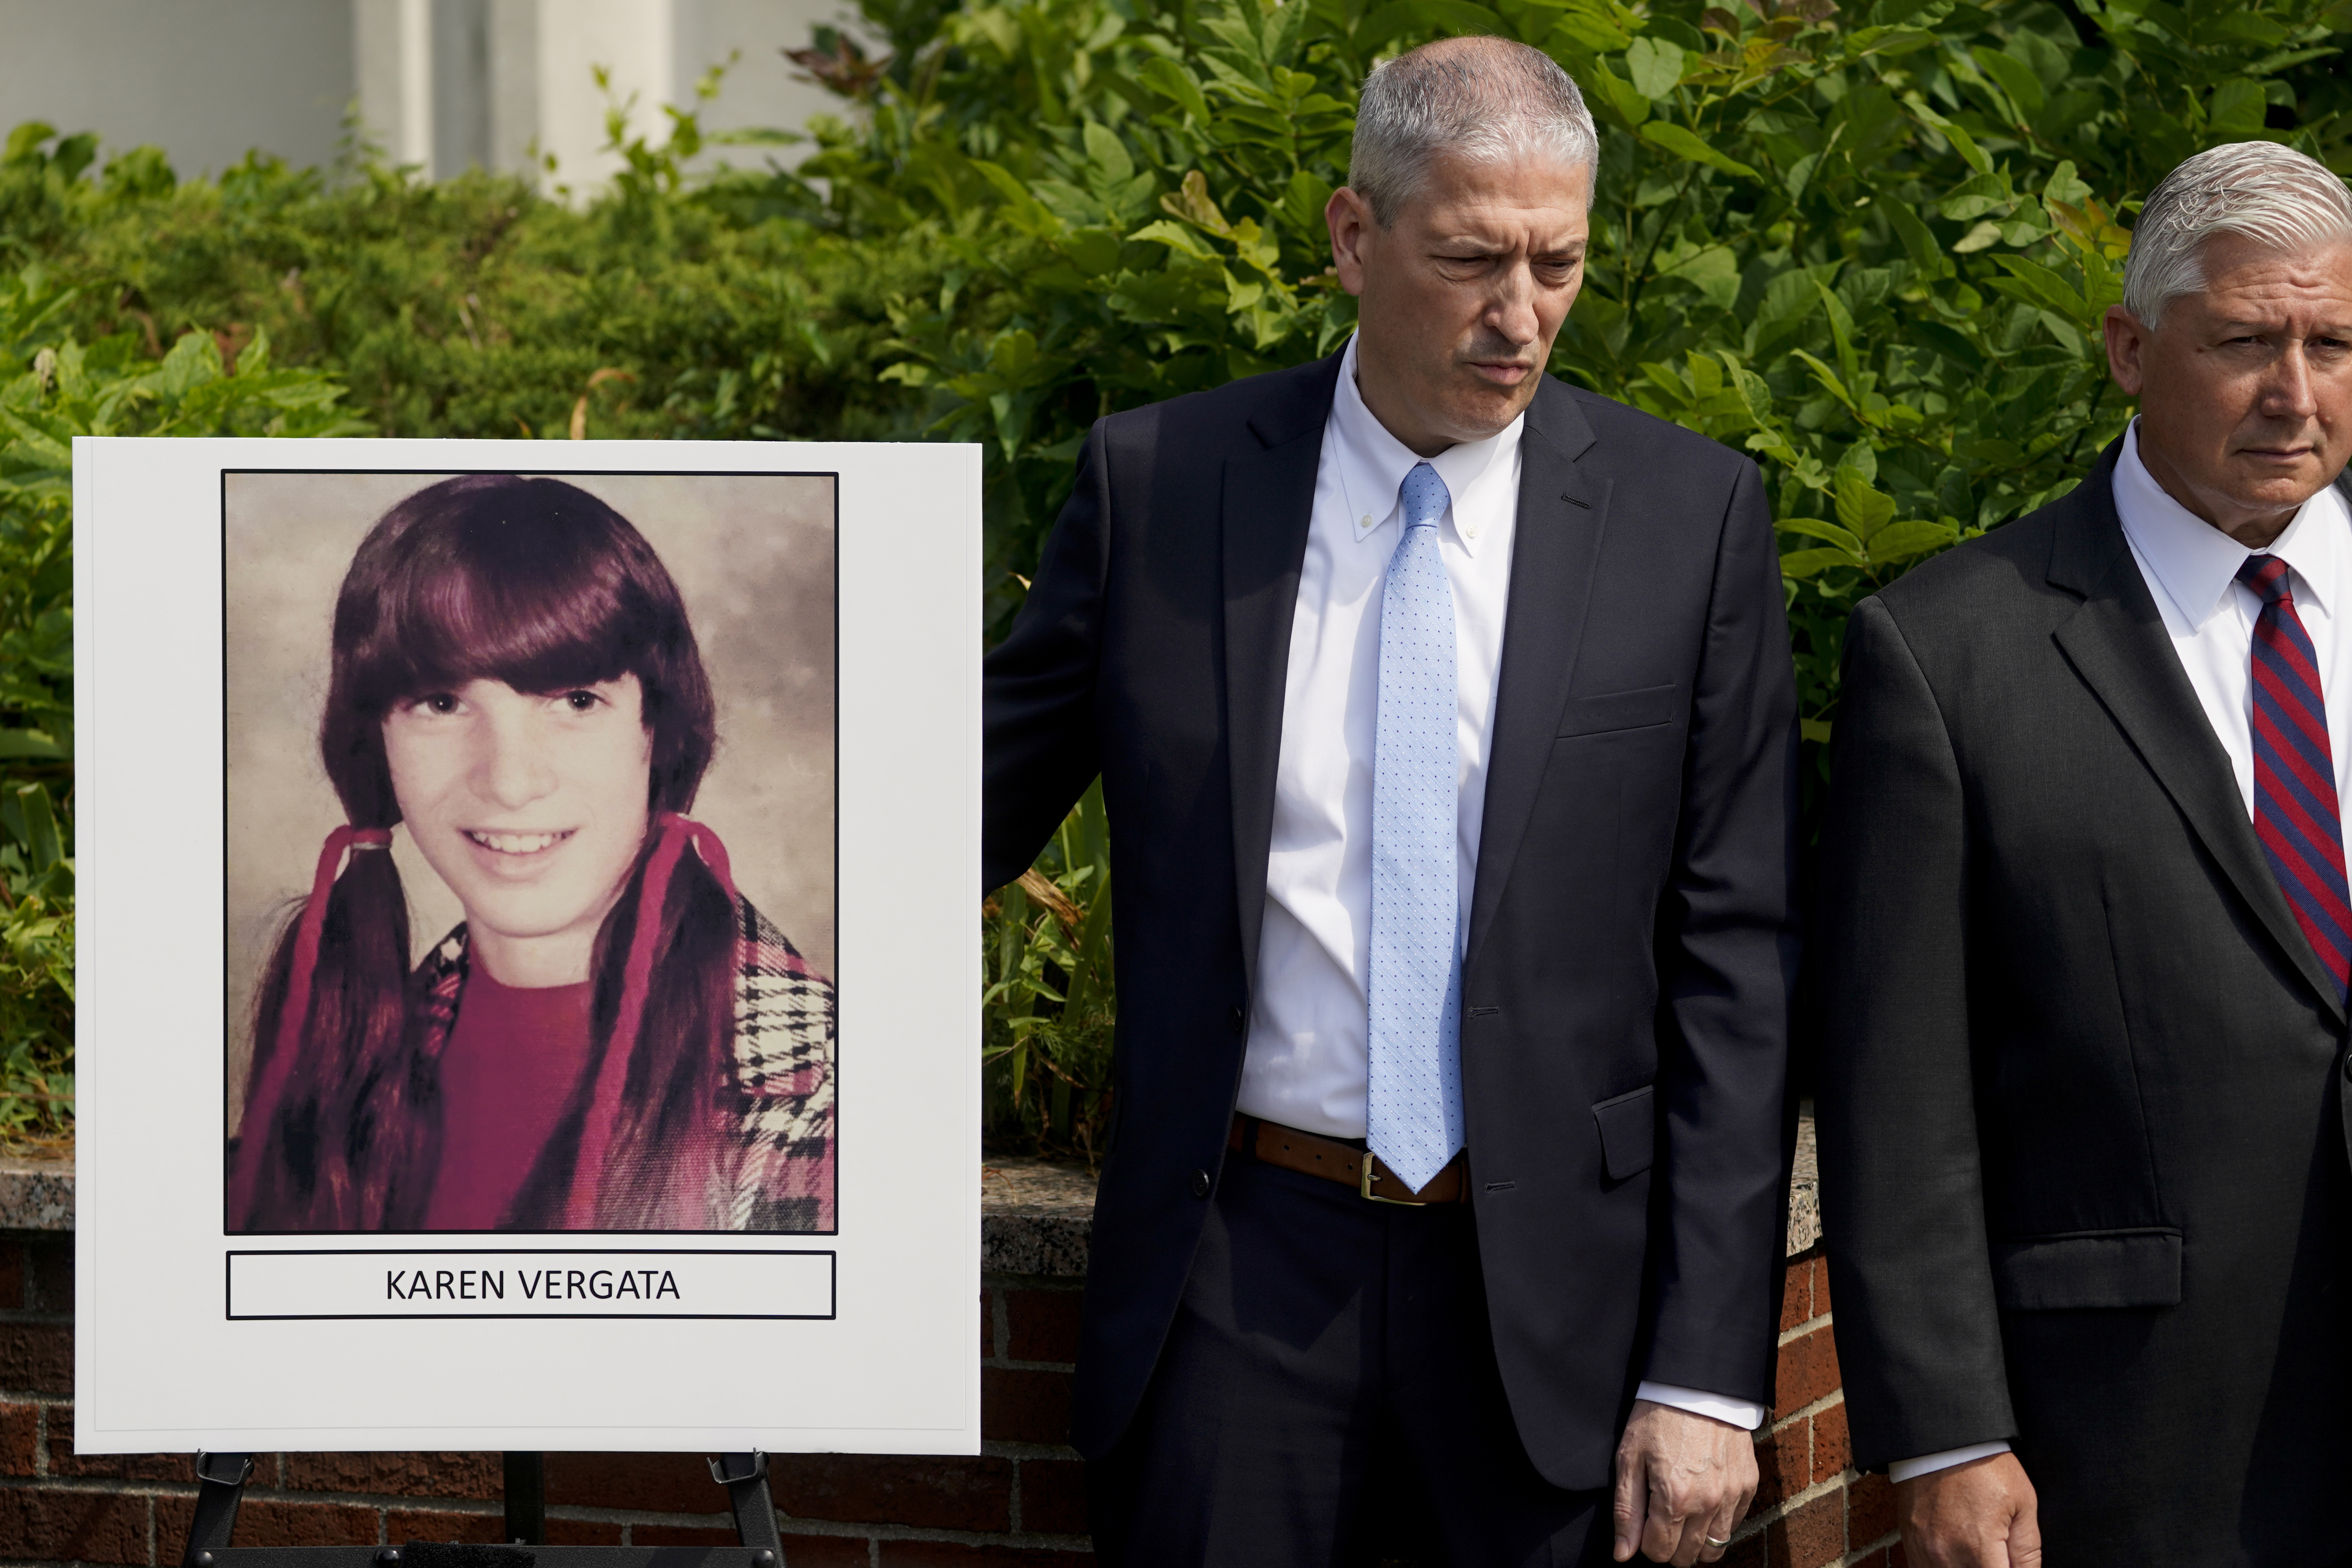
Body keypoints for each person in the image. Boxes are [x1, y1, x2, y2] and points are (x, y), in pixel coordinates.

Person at [984, 36, 1799, 1568]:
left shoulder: (1690, 522)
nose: (1520, 317)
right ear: (1354, 238)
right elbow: (957, 808)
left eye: (1558, 263)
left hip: (1558, 1297)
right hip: (1236, 1280)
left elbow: (1738, 971)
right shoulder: (1159, 487)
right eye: (1472, 259)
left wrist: (1705, 1372)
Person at [1814, 139, 2352, 1566]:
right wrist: (1944, 1430)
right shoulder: (1946, 654)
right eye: (2244, 342)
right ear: (2127, 347)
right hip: (2134, 1439)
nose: (2296, 395)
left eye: (2333, 342)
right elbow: (1898, 1086)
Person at [228, 474, 835, 1235]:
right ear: (376, 742)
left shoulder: (817, 1090)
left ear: (658, 731)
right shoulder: (352, 1042)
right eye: (442, 703)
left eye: (576, 701)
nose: (510, 781)